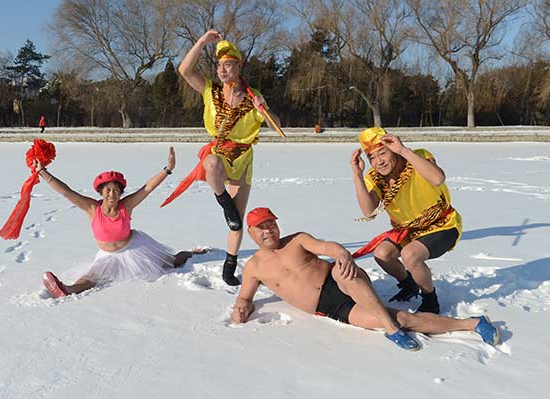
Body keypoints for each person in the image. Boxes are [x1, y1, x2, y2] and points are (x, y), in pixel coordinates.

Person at [232, 207, 499, 351]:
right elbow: (245, 297)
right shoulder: (254, 267)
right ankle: (474, 324)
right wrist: (241, 309)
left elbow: (330, 248)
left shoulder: (298, 240)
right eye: (262, 227)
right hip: (332, 308)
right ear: (252, 233)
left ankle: (392, 332)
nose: (269, 230)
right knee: (402, 319)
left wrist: (344, 256)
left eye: (271, 224)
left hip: (341, 279)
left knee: (341, 272)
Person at [169, 29, 281, 286]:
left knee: (236, 224)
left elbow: (279, 127)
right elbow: (185, 70)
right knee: (211, 162)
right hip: (218, 152)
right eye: (219, 66)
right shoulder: (211, 90)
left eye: (227, 65)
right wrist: (200, 43)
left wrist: (265, 108)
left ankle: (230, 266)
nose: (222, 70)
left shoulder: (253, 97)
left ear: (238, 66)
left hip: (242, 157)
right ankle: (224, 202)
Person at [33, 147, 203, 298]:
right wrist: (42, 172)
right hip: (107, 255)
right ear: (101, 192)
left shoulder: (126, 205)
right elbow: (66, 191)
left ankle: (192, 253)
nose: (112, 194)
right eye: (108, 190)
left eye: (116, 190)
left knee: (171, 261)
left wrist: (168, 169)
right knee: (92, 276)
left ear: (121, 193)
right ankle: (67, 290)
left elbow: (148, 188)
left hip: (134, 248)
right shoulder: (92, 208)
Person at [349, 127, 462, 314]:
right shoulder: (375, 178)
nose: (379, 162)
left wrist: (403, 151)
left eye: (383, 153)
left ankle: (430, 300)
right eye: (372, 158)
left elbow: (438, 178)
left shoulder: (417, 157)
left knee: (410, 255)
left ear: (393, 147)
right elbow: (369, 211)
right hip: (409, 231)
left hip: (443, 224)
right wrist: (357, 176)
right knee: (382, 254)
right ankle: (409, 284)